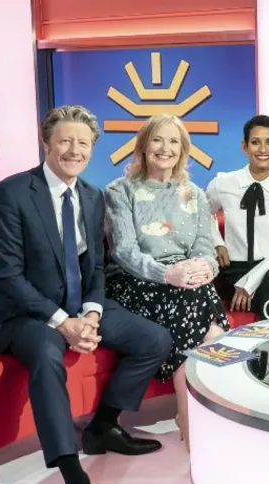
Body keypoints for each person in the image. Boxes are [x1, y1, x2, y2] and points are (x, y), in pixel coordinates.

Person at [0, 105, 172, 484]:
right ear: (46, 143)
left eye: (83, 143)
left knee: (155, 339)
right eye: (65, 140)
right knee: (47, 353)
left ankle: (102, 427)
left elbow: (96, 268)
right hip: (22, 314)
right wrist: (64, 322)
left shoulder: (90, 194)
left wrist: (91, 312)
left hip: (76, 308)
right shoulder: (11, 193)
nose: (74, 150)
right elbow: (8, 277)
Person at [103, 114, 229, 449]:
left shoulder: (194, 193)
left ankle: (196, 417)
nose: (165, 148)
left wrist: (204, 269)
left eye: (174, 141)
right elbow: (124, 252)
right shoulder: (120, 191)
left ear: (183, 150)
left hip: (186, 282)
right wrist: (167, 273)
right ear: (144, 146)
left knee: (204, 309)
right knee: (207, 322)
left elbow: (206, 248)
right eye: (158, 139)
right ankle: (196, 421)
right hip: (136, 281)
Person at [207, 115, 269, 316]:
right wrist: (217, 242)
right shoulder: (223, 184)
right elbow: (200, 213)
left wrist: (250, 283)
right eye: (255, 142)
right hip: (235, 271)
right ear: (244, 146)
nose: (262, 150)